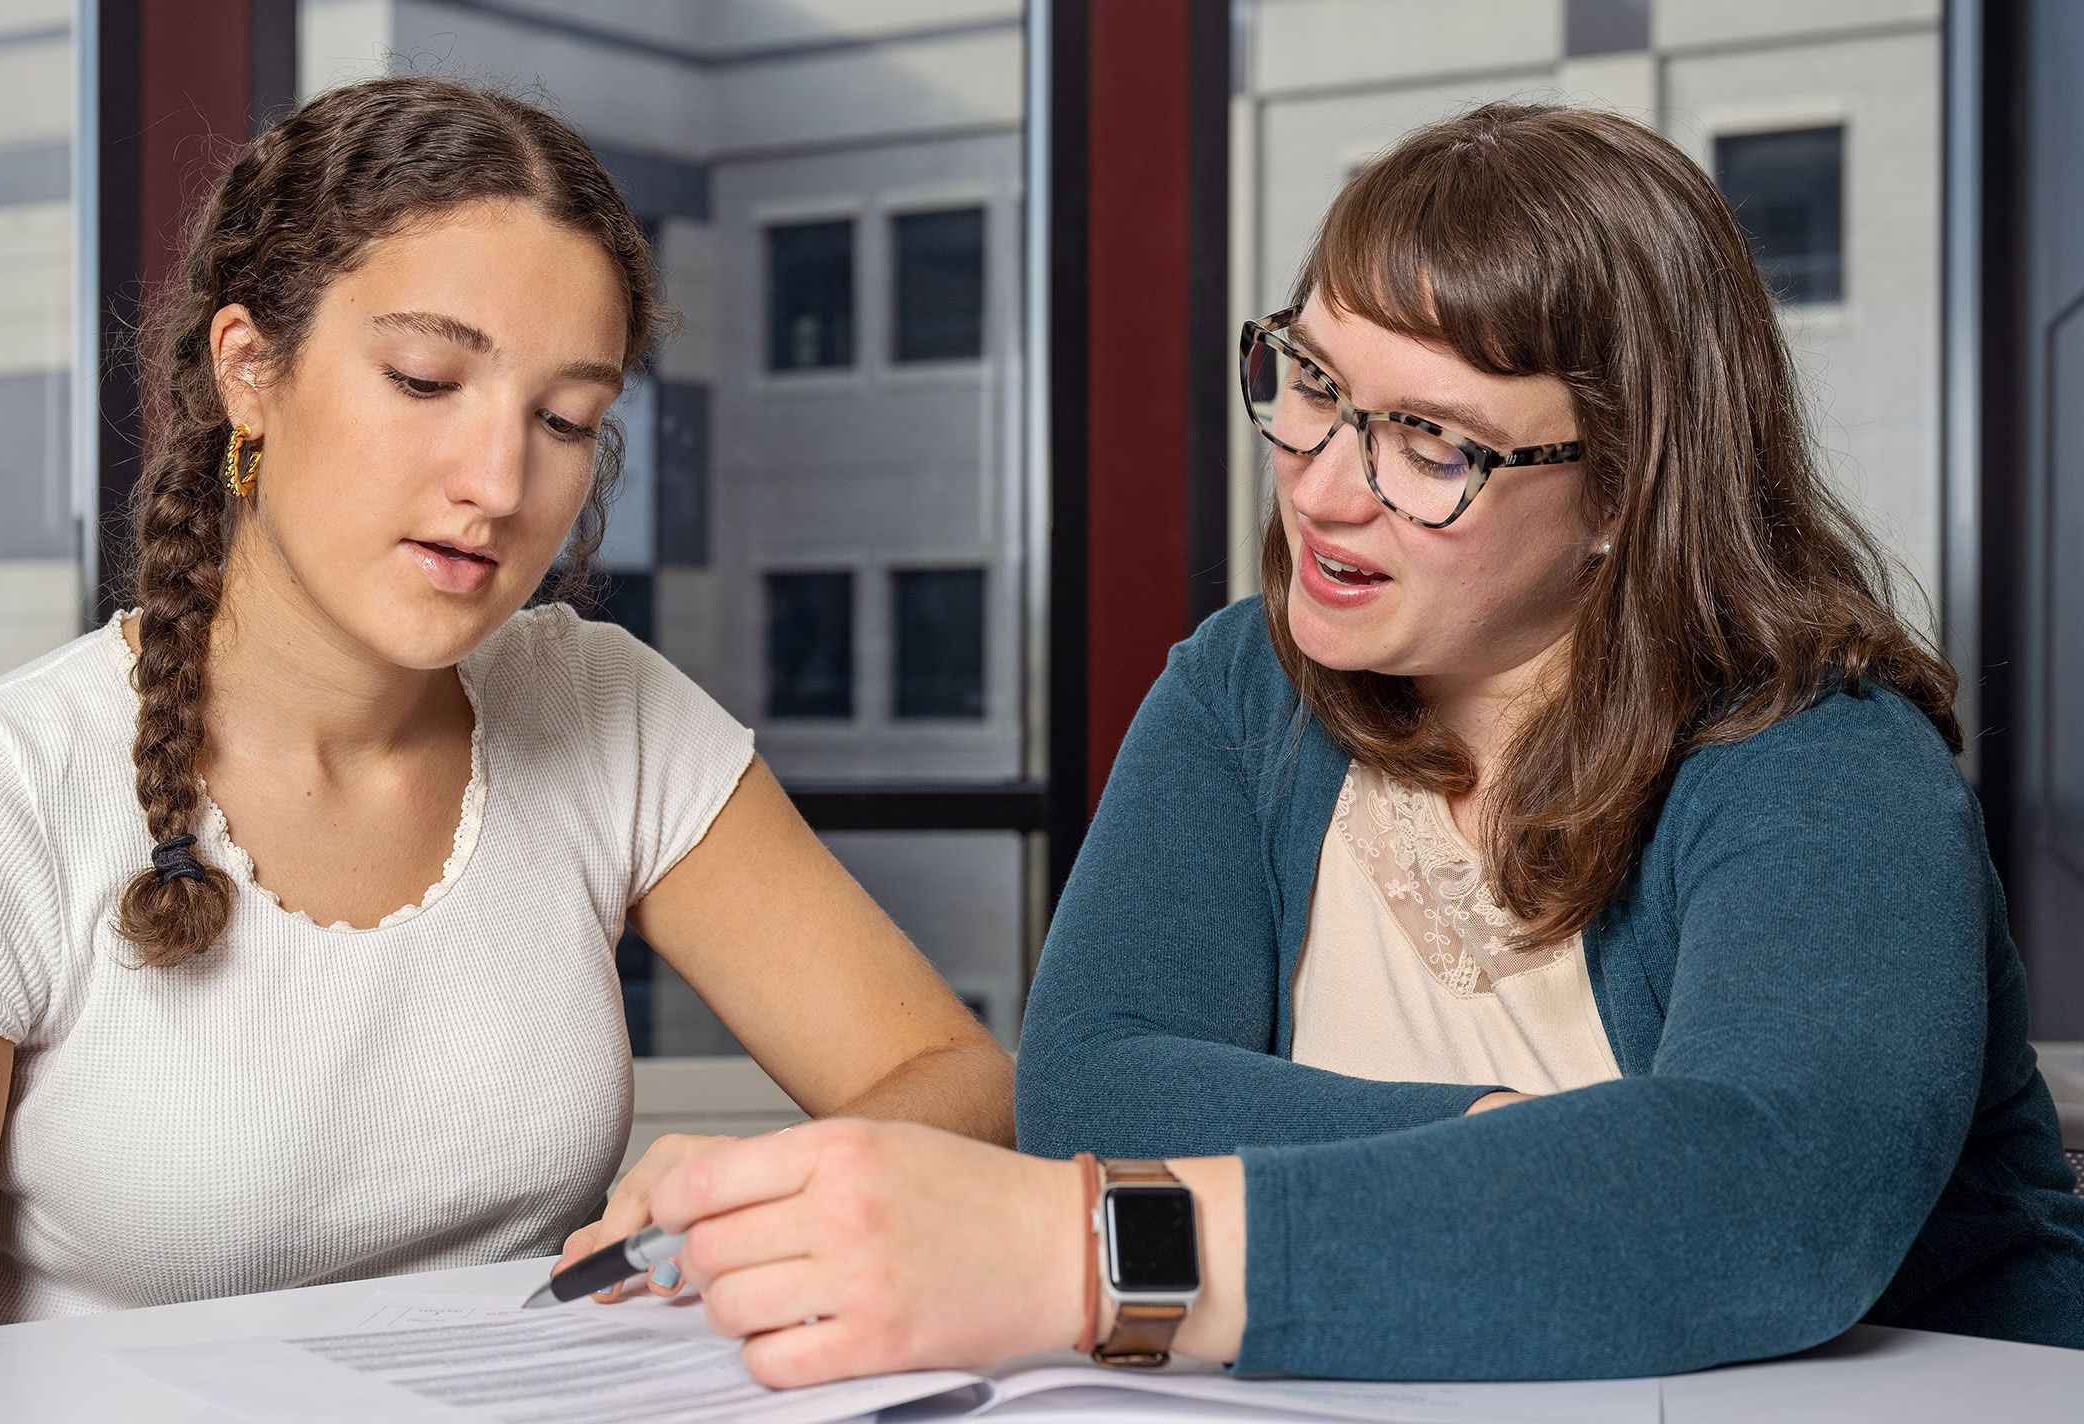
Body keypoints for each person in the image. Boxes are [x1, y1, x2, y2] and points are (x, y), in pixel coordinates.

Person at [619, 103, 2084, 1386]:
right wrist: (1526, 1151)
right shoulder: (1242, 689)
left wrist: (1087, 1258)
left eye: (1433, 445)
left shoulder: (1819, 750)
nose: (1323, 492)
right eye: (1310, 385)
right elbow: (1095, 1081)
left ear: (1630, 488)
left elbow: (1769, 1207)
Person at [0, 78, 1012, 1351]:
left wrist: (750, 1198)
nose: (499, 482)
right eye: (423, 380)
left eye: (566, 418)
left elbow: (961, 1084)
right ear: (250, 369)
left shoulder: (605, 707)